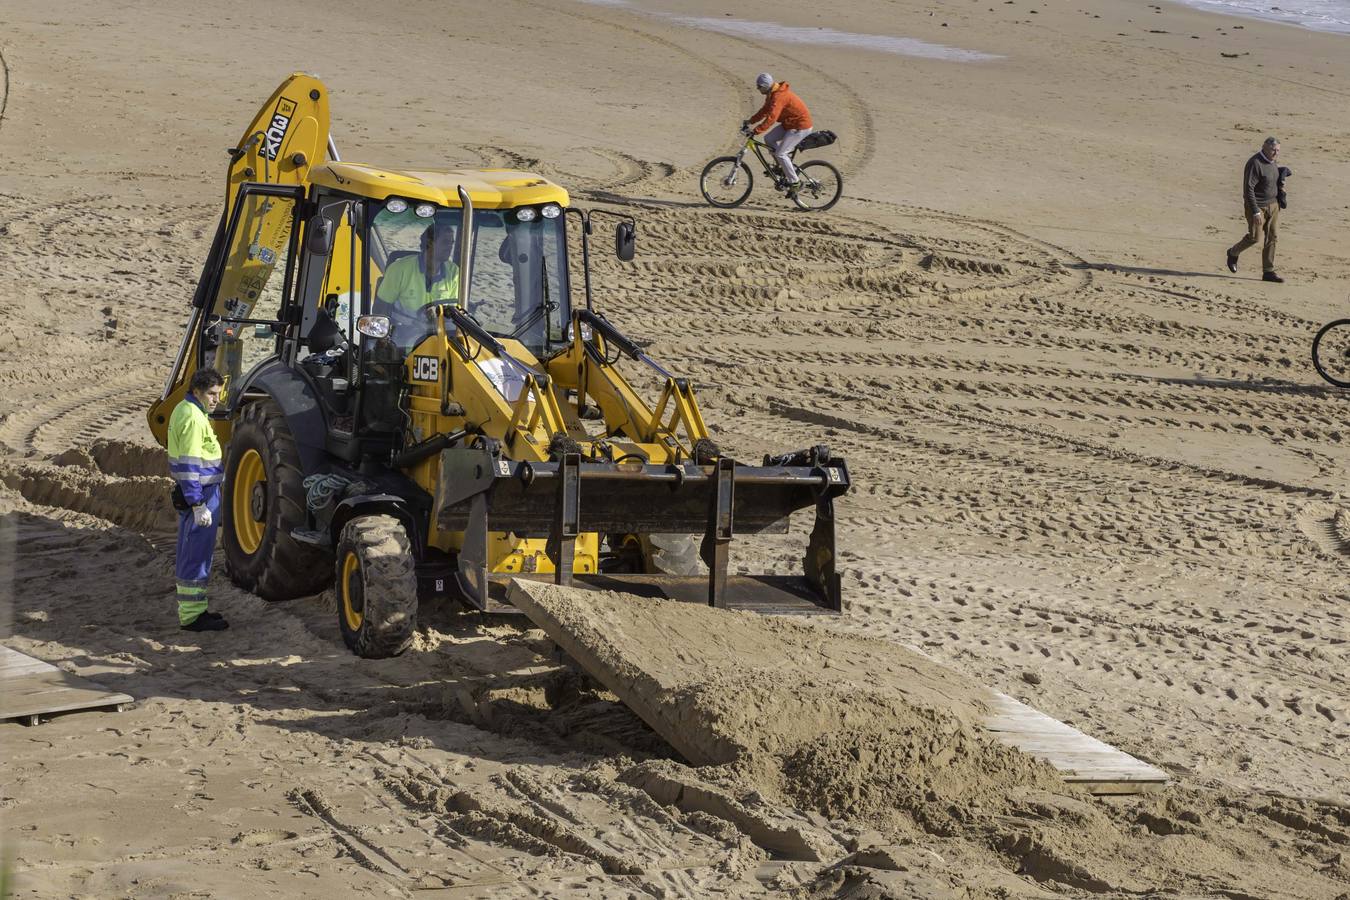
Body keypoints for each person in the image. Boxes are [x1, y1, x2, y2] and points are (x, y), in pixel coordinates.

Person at [168, 367, 228, 632]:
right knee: (196, 554)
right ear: (197, 392)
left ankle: (196, 610)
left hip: (201, 493)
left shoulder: (188, 410)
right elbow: (190, 465)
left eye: (218, 394)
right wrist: (197, 504)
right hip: (200, 495)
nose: (216, 399)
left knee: (195, 552)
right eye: (212, 394)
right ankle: (192, 616)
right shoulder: (193, 418)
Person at [376, 221, 460, 343]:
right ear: (430, 242)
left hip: (439, 339)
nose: (450, 247)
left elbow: (453, 312)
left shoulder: (454, 272)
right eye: (445, 242)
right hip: (401, 339)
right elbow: (380, 308)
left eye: (451, 243)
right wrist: (382, 340)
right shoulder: (399, 269)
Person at [1226, 137, 1285, 283]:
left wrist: (1281, 187)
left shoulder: (1273, 162)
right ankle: (1233, 252)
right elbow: (1248, 189)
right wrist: (1255, 211)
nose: (1275, 153)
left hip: (1273, 205)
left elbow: (1271, 179)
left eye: (1278, 150)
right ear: (1264, 147)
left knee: (1272, 237)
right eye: (1273, 150)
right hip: (1257, 206)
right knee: (1254, 237)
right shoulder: (1255, 163)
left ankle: (1268, 272)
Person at [745, 73, 813, 197]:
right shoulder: (771, 94)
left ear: (766, 86)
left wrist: (756, 130)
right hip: (790, 124)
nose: (757, 89)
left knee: (781, 153)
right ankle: (782, 167)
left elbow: (771, 118)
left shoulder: (779, 97)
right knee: (769, 139)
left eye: (759, 86)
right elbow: (764, 111)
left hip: (800, 126)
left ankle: (795, 183)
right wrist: (750, 121)